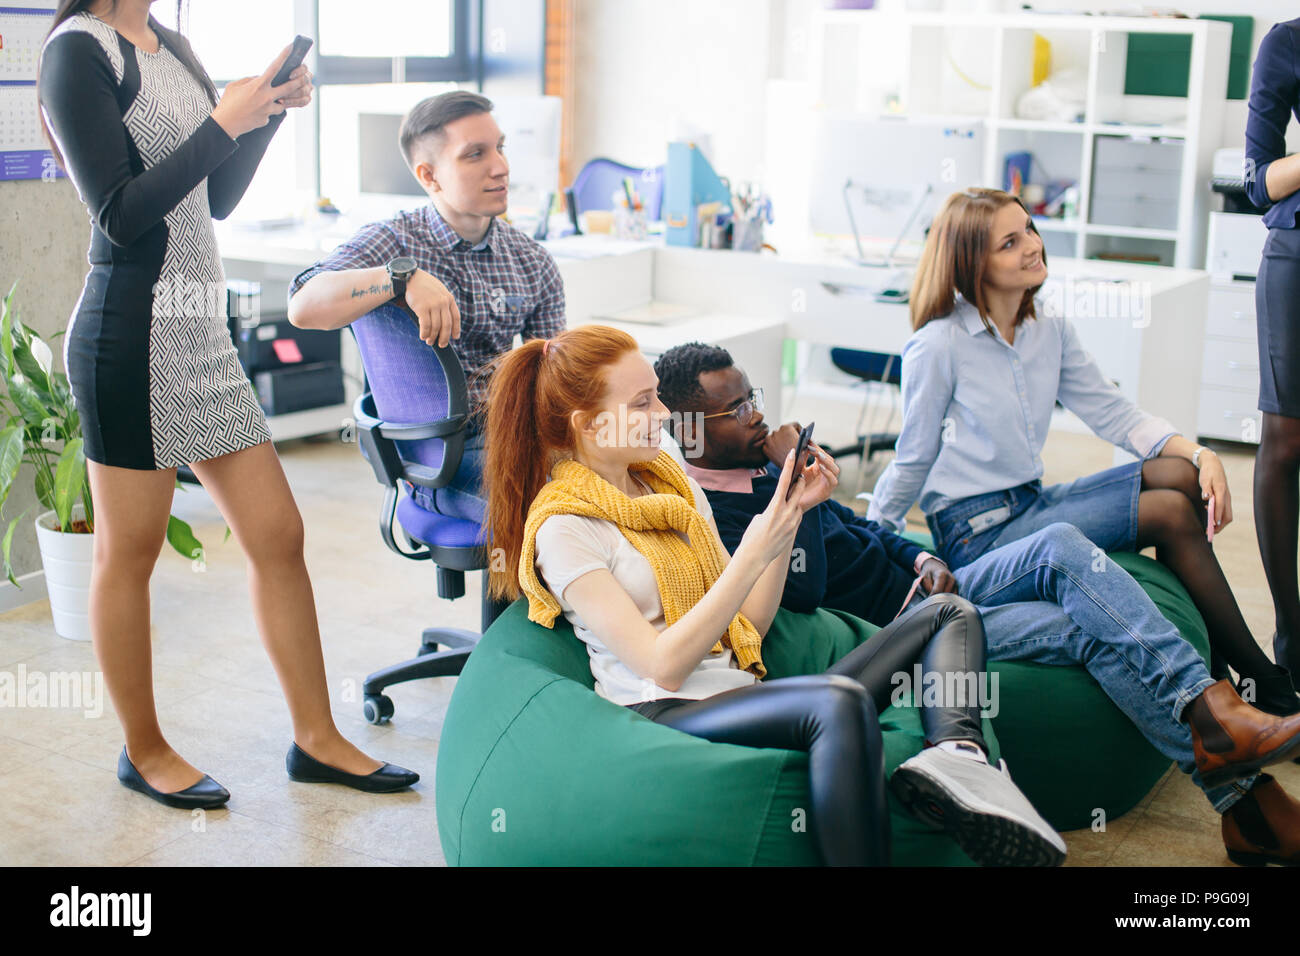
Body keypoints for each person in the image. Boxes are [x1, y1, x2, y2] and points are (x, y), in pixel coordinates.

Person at [655, 342, 1300, 866]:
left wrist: (920, 556)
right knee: (1074, 602)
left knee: (1063, 554)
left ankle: (1229, 767)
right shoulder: (721, 510)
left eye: (752, 397)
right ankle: (1230, 765)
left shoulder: (765, 464)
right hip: (913, 630)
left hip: (939, 582)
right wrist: (793, 494)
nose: (756, 414)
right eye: (735, 408)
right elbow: (807, 589)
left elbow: (863, 529)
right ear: (689, 429)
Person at [480, 324, 1069, 867]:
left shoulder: (668, 478)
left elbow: (751, 628)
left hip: (740, 686)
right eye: (641, 404)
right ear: (587, 425)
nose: (662, 416)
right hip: (664, 712)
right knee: (837, 702)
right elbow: (660, 668)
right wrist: (754, 549)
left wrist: (789, 513)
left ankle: (958, 761)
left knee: (948, 613)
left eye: (657, 395)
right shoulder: (564, 530)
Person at [38, 0, 416, 809]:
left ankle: (316, 738)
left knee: (279, 533)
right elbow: (121, 213)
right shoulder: (77, 54)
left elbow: (215, 198)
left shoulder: (170, 46)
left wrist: (265, 115)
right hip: (129, 339)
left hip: (199, 336)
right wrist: (222, 119)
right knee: (128, 554)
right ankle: (143, 751)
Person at [867, 187, 1300, 719]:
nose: (1032, 245)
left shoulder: (1048, 329)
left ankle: (1231, 679)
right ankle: (1260, 681)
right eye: (1009, 242)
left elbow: (1115, 415)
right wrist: (875, 541)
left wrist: (1203, 454)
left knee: (1181, 478)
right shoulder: (938, 346)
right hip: (975, 535)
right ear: (971, 263)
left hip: (1031, 502)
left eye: (1029, 228)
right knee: (1168, 509)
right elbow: (912, 459)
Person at [287, 90, 565, 522]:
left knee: (630, 481)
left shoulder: (532, 260)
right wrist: (399, 278)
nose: (501, 167)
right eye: (475, 154)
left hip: (509, 437)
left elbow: (553, 382)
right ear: (430, 176)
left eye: (500, 148)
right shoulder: (393, 239)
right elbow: (304, 307)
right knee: (564, 516)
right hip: (438, 457)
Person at [1245, 17, 1300, 696]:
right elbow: (1258, 181)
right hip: (1296, 257)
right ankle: (1290, 634)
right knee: (1284, 443)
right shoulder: (1286, 42)